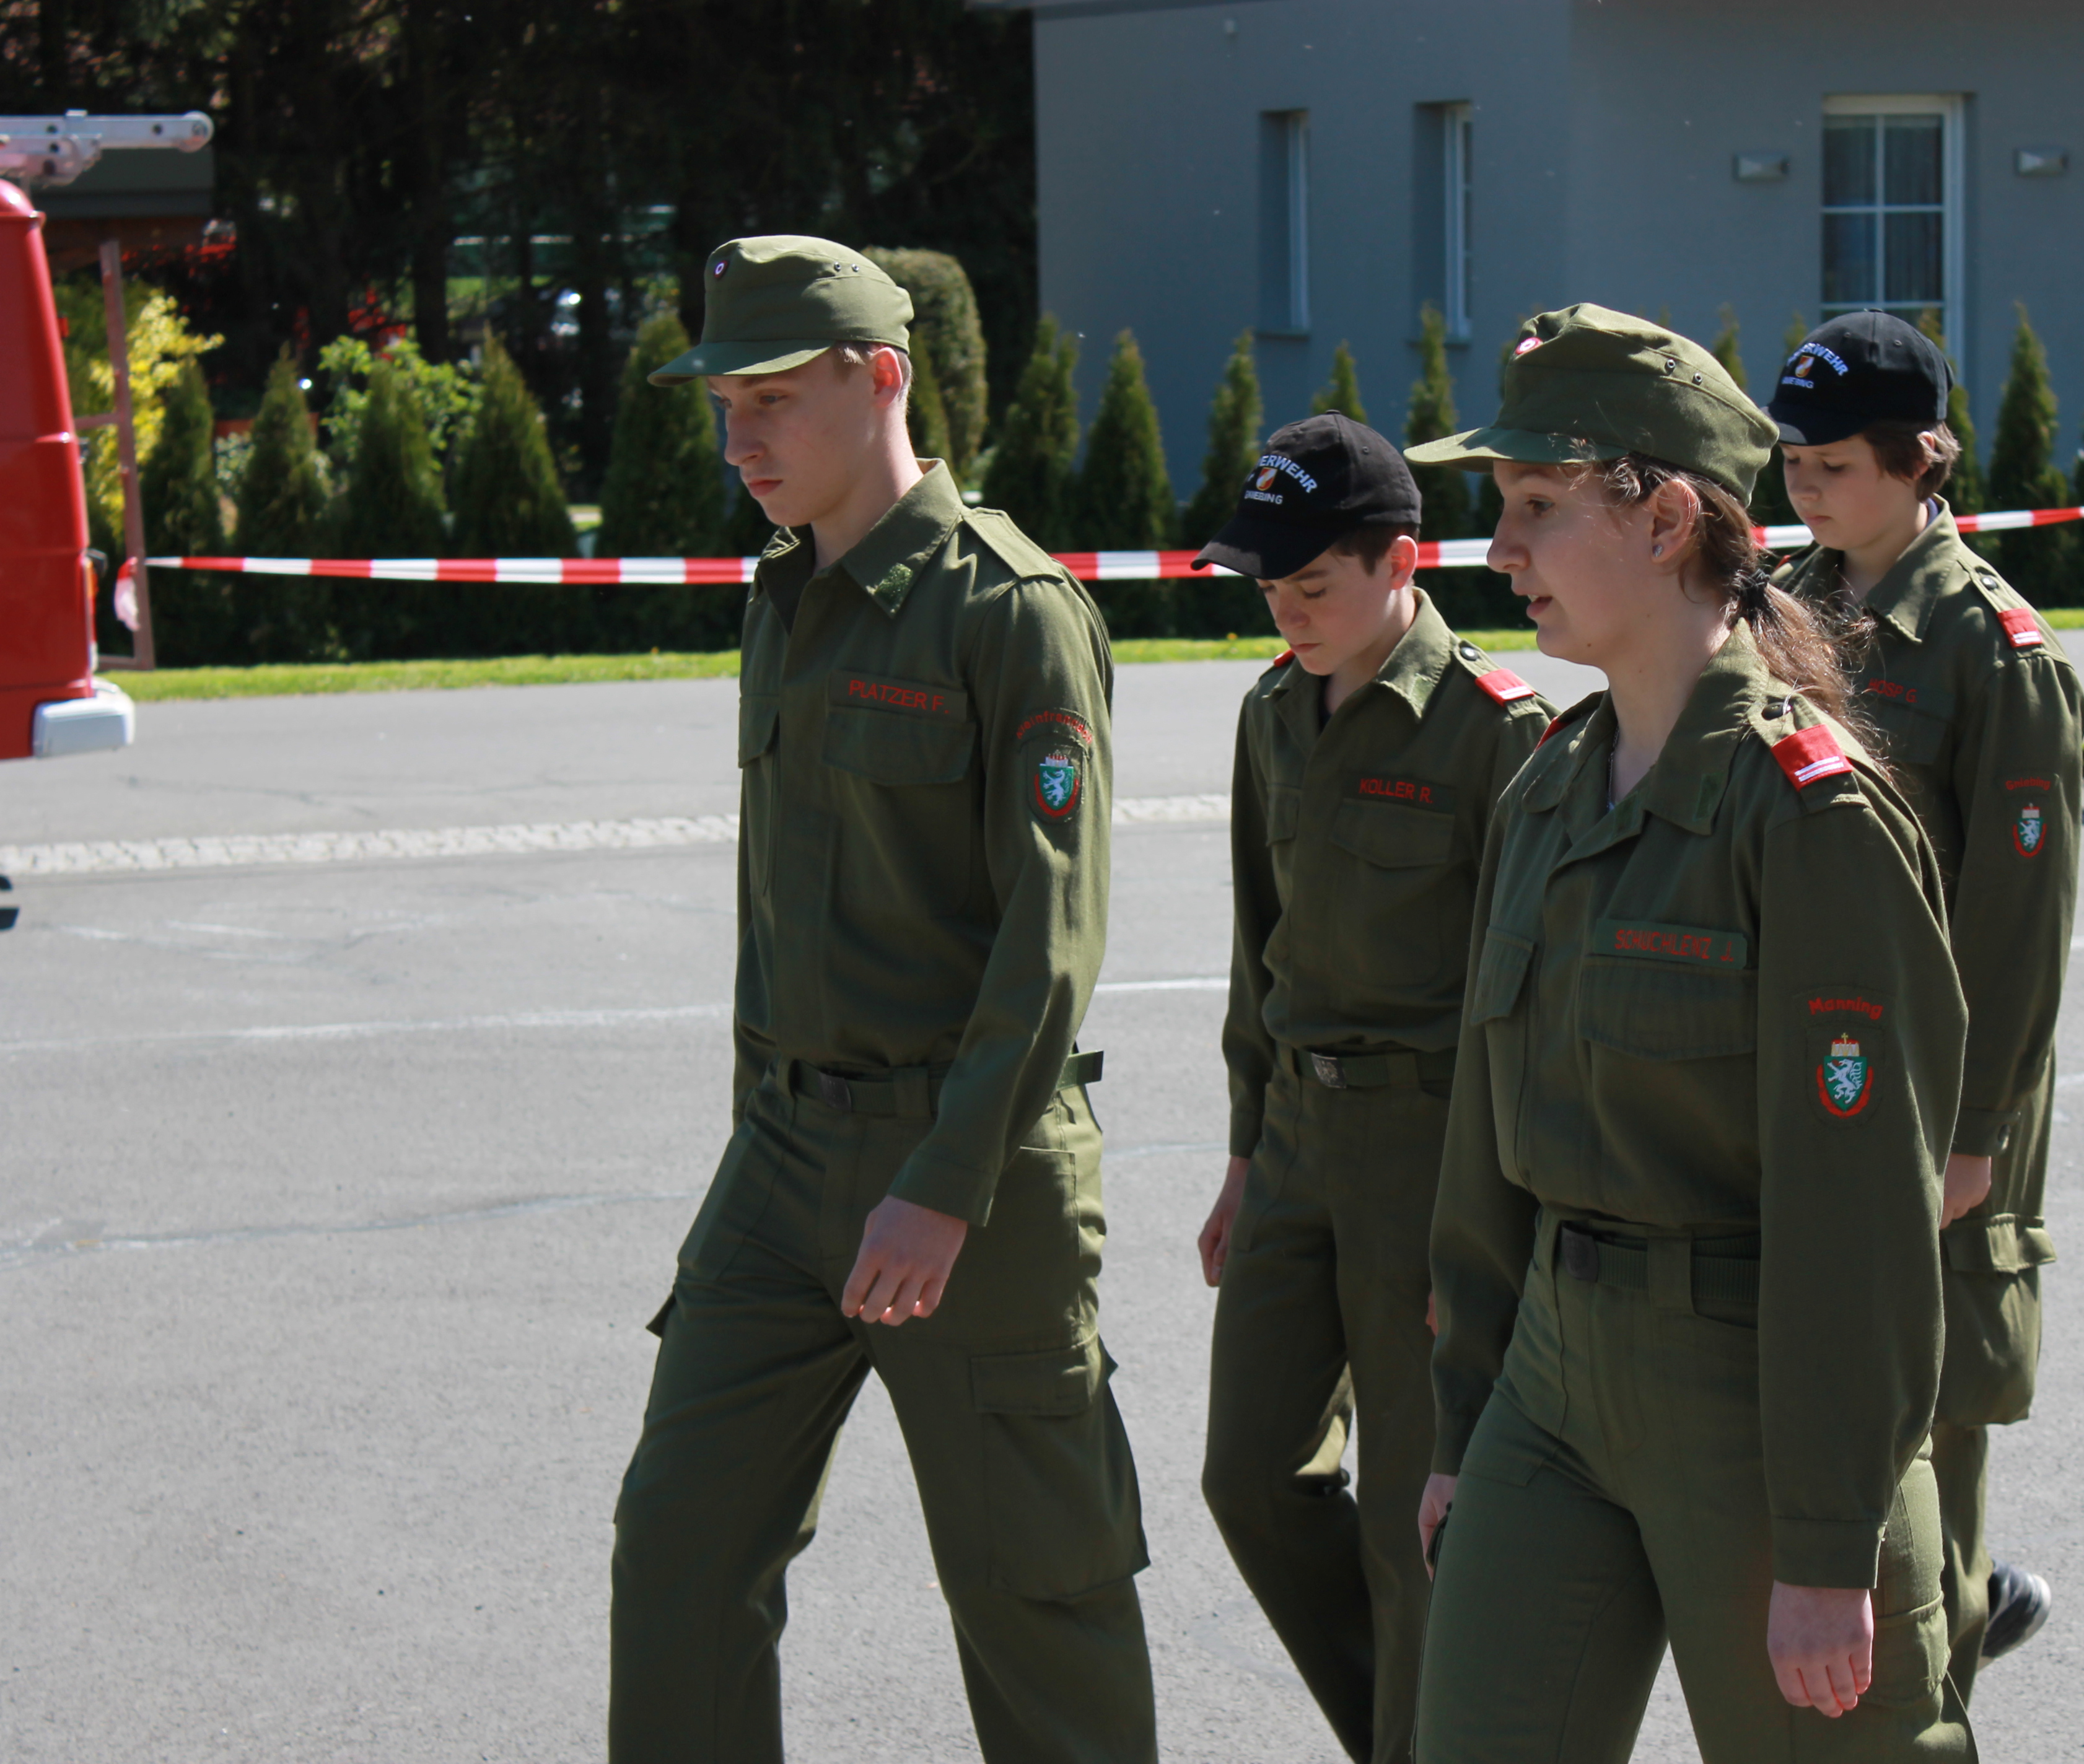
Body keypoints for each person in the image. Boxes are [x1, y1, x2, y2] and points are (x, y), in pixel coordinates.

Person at [608, 236, 1154, 1764]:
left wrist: (946, 1179)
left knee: (1036, 1590)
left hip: (968, 1171)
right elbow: (774, 916)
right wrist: (757, 1130)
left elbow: (1052, 934)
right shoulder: (786, 597)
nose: (742, 438)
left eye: (775, 398)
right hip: (786, 1156)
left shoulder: (1009, 607)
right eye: (726, 405)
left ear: (884, 378)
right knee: (680, 1545)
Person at [1404, 304, 1977, 1762]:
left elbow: (1863, 1208)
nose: (1500, 548)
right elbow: (1485, 1149)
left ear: (1663, 520)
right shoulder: (1548, 787)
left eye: (1538, 505)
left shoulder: (1810, 813)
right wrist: (1463, 1422)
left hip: (1756, 1396)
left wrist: (1832, 1535)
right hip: (1551, 1378)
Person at [1192, 413, 1556, 1764]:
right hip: (1296, 1136)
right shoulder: (1272, 713)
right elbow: (1260, 950)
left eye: (1312, 584)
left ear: (1401, 562)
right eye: (1269, 588)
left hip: (1432, 1150)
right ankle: (1411, 1732)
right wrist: (1244, 1156)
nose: (1286, 613)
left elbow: (1527, 1013)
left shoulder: (1498, 733)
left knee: (1418, 1512)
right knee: (1248, 1476)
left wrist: (1489, 1229)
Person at [1768, 311, 2084, 1702]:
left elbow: (2022, 929)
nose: (1805, 486)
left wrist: (1975, 1132)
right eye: (1793, 460)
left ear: (1919, 460)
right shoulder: (1781, 603)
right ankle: (1946, 1607)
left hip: (1934, 1090)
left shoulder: (1993, 652)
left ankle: (1938, 1663)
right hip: (1808, 1060)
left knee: (1929, 1402)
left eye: (1835, 464)